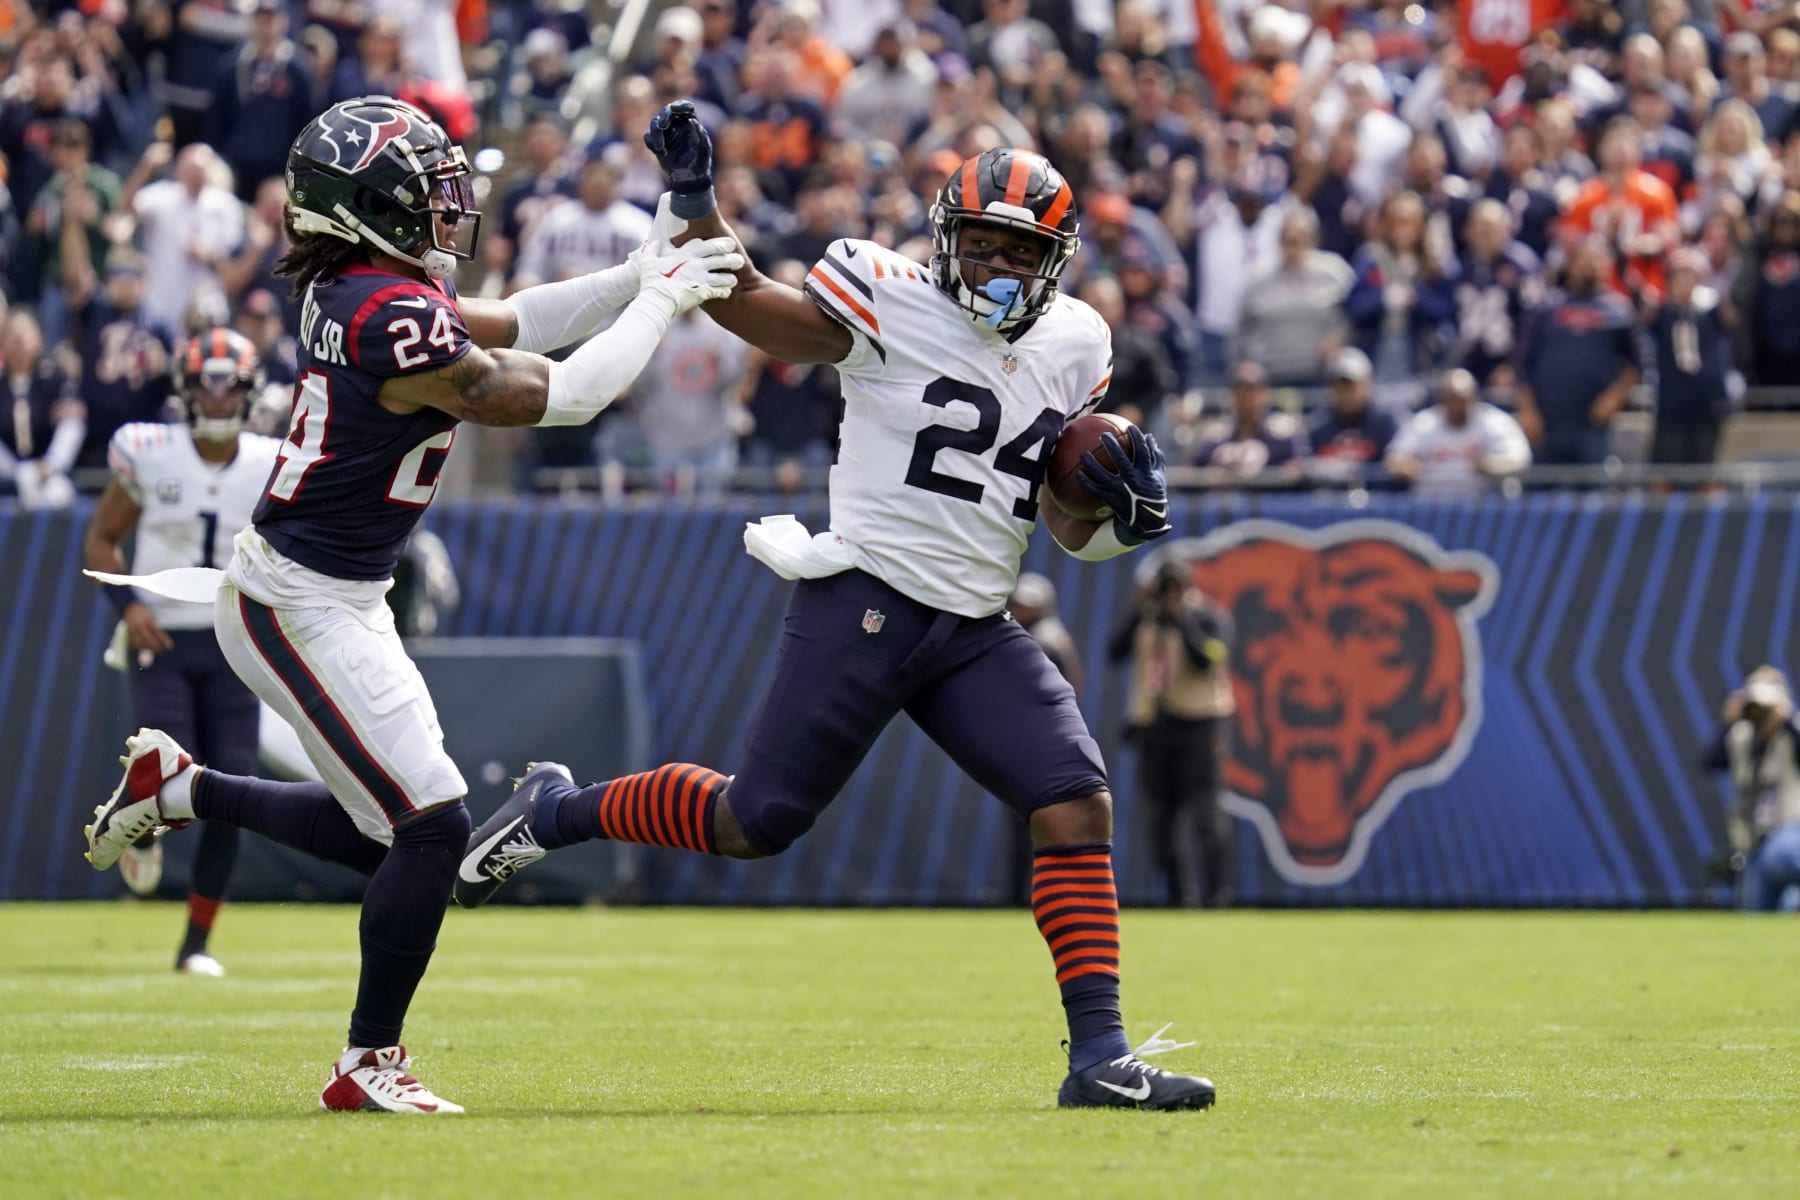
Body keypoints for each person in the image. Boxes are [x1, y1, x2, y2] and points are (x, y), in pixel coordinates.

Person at [457, 103, 1216, 1112]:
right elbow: (752, 304)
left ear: (1055, 260)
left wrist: (1117, 510)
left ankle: (1100, 1060)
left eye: (1014, 249)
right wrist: (695, 206)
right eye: (977, 242)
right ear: (945, 239)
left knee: (1075, 800)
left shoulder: (1078, 341)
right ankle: (555, 808)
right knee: (752, 820)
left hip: (974, 625)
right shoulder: (890, 294)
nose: (990, 265)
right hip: (865, 596)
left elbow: (1066, 523)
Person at [80, 95, 746, 1114]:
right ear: (365, 209)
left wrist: (662, 239)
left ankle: (181, 789)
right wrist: (662, 296)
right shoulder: (384, 315)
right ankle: (366, 1065)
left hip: (337, 591)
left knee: (399, 836)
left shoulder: (366, 286)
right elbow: (558, 394)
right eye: (426, 191)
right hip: (293, 600)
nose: (449, 207)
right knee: (433, 830)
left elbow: (525, 320)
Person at [82, 328, 283, 974]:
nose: (219, 400)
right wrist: (128, 606)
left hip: (234, 643)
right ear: (186, 390)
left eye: (231, 387)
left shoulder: (270, 460)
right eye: (206, 385)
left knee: (230, 790)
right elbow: (101, 540)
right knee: (173, 774)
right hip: (163, 639)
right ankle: (139, 817)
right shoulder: (151, 451)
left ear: (250, 393)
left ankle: (194, 945)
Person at [1107, 560, 1235, 909]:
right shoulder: (1146, 619)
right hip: (1155, 726)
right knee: (1161, 817)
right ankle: (1181, 895)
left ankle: (1218, 893)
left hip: (1199, 723)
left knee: (1206, 813)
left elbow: (1208, 659)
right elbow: (1114, 652)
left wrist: (1181, 617)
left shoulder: (1206, 616)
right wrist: (1138, 608)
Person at [1515, 238, 1642, 466]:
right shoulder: (1546, 307)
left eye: (1596, 260)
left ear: (1607, 266)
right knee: (1542, 496)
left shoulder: (1619, 309)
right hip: (1547, 419)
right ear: (1571, 265)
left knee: (1592, 497)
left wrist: (1614, 398)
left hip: (1593, 421)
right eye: (1583, 259)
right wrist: (1528, 410)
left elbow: (1639, 363)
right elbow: (1523, 362)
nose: (1589, 265)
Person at [1704, 667, 1800, 913]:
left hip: (1791, 830)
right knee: (1756, 913)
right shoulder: (1741, 737)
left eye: (1765, 708)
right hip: (1755, 842)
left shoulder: (1792, 732)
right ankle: (1792, 900)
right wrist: (1728, 722)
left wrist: (1786, 719)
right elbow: (1710, 761)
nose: (1760, 715)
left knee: (1781, 853)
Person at [1384, 368, 1532, 498]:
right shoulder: (1424, 423)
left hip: (1482, 504)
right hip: (1430, 505)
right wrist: (1405, 466)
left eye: (1463, 399)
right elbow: (1394, 458)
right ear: (1441, 400)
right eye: (1452, 399)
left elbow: (1520, 459)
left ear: (1474, 398)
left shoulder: (1494, 421)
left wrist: (1492, 465)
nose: (1458, 406)